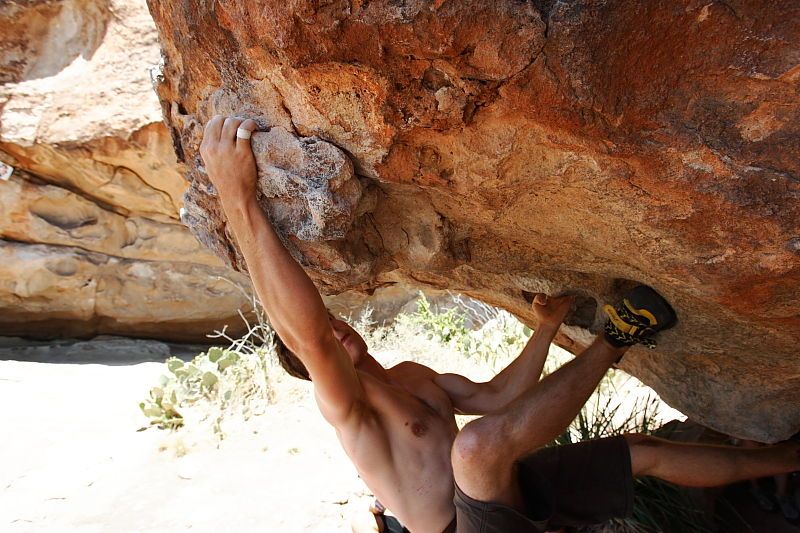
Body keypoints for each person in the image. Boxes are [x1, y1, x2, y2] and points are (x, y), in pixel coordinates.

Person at [200, 115, 800, 533]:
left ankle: (791, 460)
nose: (334, 332)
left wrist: (547, 325)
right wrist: (237, 198)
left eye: (333, 321)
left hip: (499, 492)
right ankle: (618, 338)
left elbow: (498, 399)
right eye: (317, 343)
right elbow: (307, 333)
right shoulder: (349, 408)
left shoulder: (409, 375)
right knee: (475, 448)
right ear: (314, 366)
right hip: (463, 527)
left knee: (641, 451)